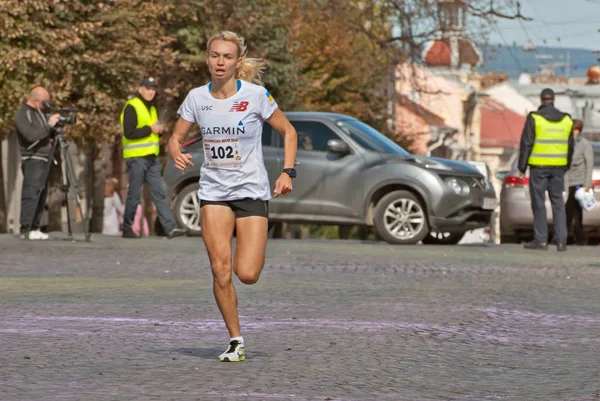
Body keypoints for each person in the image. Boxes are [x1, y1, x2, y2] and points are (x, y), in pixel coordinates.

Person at [167, 31, 298, 362]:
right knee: (219, 268)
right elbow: (175, 137)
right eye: (214, 55)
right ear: (207, 59)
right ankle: (235, 340)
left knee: (247, 274)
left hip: (251, 190)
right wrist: (176, 151)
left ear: (238, 63)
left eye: (226, 56)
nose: (220, 62)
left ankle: (245, 265)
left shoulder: (256, 96)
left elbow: (289, 131)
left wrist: (287, 171)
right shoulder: (197, 98)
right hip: (213, 192)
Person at [119, 77, 187, 239]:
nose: (151, 92)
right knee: (134, 195)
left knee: (160, 193)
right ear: (140, 89)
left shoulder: (151, 108)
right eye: (148, 88)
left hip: (151, 158)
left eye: (153, 89)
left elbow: (153, 132)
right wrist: (151, 129)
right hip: (136, 158)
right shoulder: (132, 107)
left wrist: (159, 130)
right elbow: (129, 132)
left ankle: (170, 228)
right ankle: (127, 228)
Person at [518, 88, 574, 251]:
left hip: (539, 168)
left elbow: (526, 143)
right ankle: (561, 241)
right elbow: (571, 147)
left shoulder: (534, 118)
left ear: (541, 100)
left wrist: (522, 167)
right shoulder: (566, 120)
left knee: (538, 202)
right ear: (554, 100)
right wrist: (566, 166)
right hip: (558, 168)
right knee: (558, 203)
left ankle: (541, 240)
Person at [14, 87, 61, 240]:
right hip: (32, 159)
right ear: (37, 100)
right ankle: (26, 228)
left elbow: (44, 134)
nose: (46, 105)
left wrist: (54, 128)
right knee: (31, 192)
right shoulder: (23, 114)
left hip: (45, 158)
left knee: (41, 194)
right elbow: (31, 136)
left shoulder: (39, 114)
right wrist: (49, 125)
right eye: (45, 102)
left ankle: (35, 226)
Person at [565, 119, 594, 245]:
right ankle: (579, 237)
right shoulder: (566, 142)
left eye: (576, 130)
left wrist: (587, 183)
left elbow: (589, 164)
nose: (573, 132)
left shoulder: (584, 144)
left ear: (579, 130)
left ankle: (565, 235)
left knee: (571, 209)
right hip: (566, 180)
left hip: (579, 182)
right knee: (573, 210)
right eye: (572, 129)